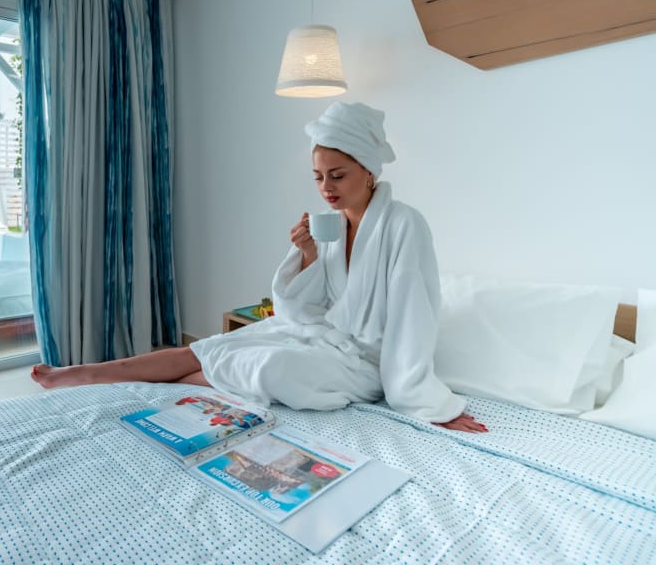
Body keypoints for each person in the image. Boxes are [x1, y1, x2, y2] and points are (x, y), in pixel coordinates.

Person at [32, 102, 486, 433]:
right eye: (318, 176)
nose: (326, 187)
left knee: (272, 364)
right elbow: (306, 307)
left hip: (364, 363)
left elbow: (413, 316)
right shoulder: (330, 224)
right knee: (219, 344)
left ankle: (143, 384)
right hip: (320, 337)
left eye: (337, 175)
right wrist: (307, 256)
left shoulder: (404, 224)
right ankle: (88, 373)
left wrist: (423, 402)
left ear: (368, 171)